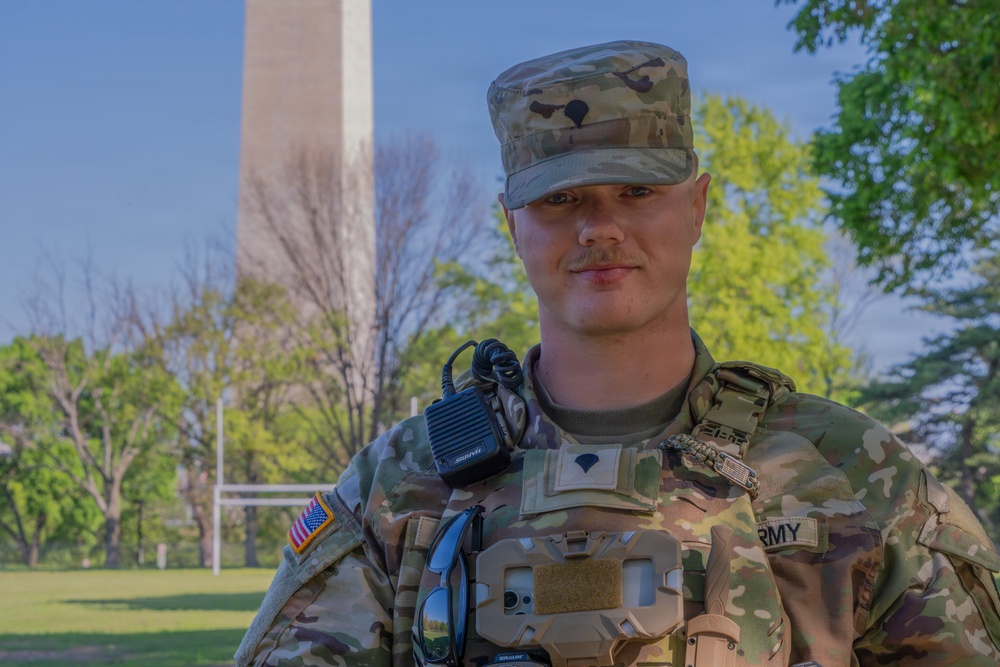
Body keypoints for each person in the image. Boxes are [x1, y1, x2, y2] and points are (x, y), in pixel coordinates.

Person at [236, 40, 1000, 667]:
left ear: (697, 205)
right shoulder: (398, 492)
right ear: (511, 226)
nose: (599, 227)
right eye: (560, 199)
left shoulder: (855, 474)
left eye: (636, 193)